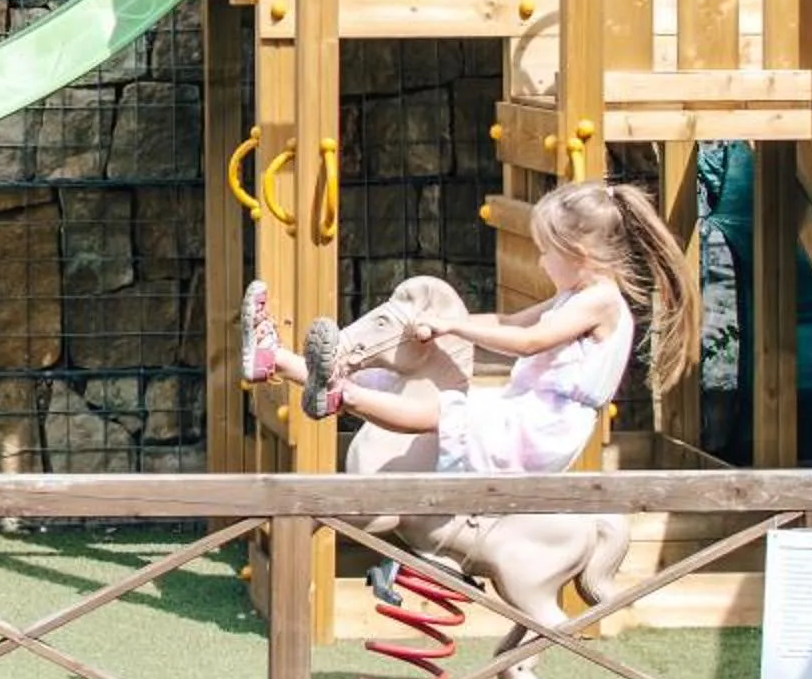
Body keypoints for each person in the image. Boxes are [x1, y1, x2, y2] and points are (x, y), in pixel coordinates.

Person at [240, 180, 694, 473]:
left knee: (445, 409)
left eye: (545, 250)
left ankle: (344, 396)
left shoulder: (599, 301)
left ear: (579, 252)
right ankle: (275, 359)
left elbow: (529, 341)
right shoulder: (576, 294)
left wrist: (451, 326)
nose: (540, 260)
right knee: (397, 378)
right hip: (528, 410)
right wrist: (447, 323)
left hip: (542, 427)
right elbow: (509, 320)